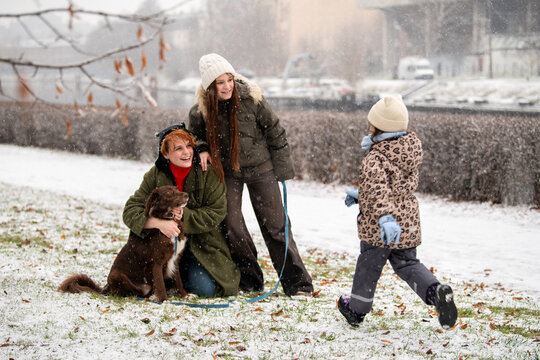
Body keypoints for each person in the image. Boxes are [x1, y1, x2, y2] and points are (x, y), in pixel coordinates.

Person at [188, 53, 313, 296]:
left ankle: (298, 284)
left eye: (229, 80)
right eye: (220, 83)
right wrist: (201, 149)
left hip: (261, 168)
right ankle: (250, 280)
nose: (226, 87)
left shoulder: (252, 100)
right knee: (231, 224)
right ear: (210, 87)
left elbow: (276, 132)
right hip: (227, 172)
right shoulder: (201, 110)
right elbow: (195, 137)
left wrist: (283, 169)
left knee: (276, 226)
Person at [338, 95, 457, 329]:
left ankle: (356, 309)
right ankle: (436, 293)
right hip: (407, 219)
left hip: (379, 227)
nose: (368, 127)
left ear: (379, 128)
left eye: (371, 124)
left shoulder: (376, 157)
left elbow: (380, 191)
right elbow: (390, 188)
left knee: (368, 267)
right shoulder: (409, 150)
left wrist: (384, 217)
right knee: (407, 264)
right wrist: (361, 196)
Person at [122, 124, 240, 298]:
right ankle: (165, 278)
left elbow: (217, 212)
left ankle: (173, 278)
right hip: (161, 247)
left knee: (203, 289)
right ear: (166, 154)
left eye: (189, 146)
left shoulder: (208, 172)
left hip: (202, 245)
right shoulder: (155, 174)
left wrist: (185, 215)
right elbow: (130, 210)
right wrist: (158, 223)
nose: (187, 152)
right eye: (179, 148)